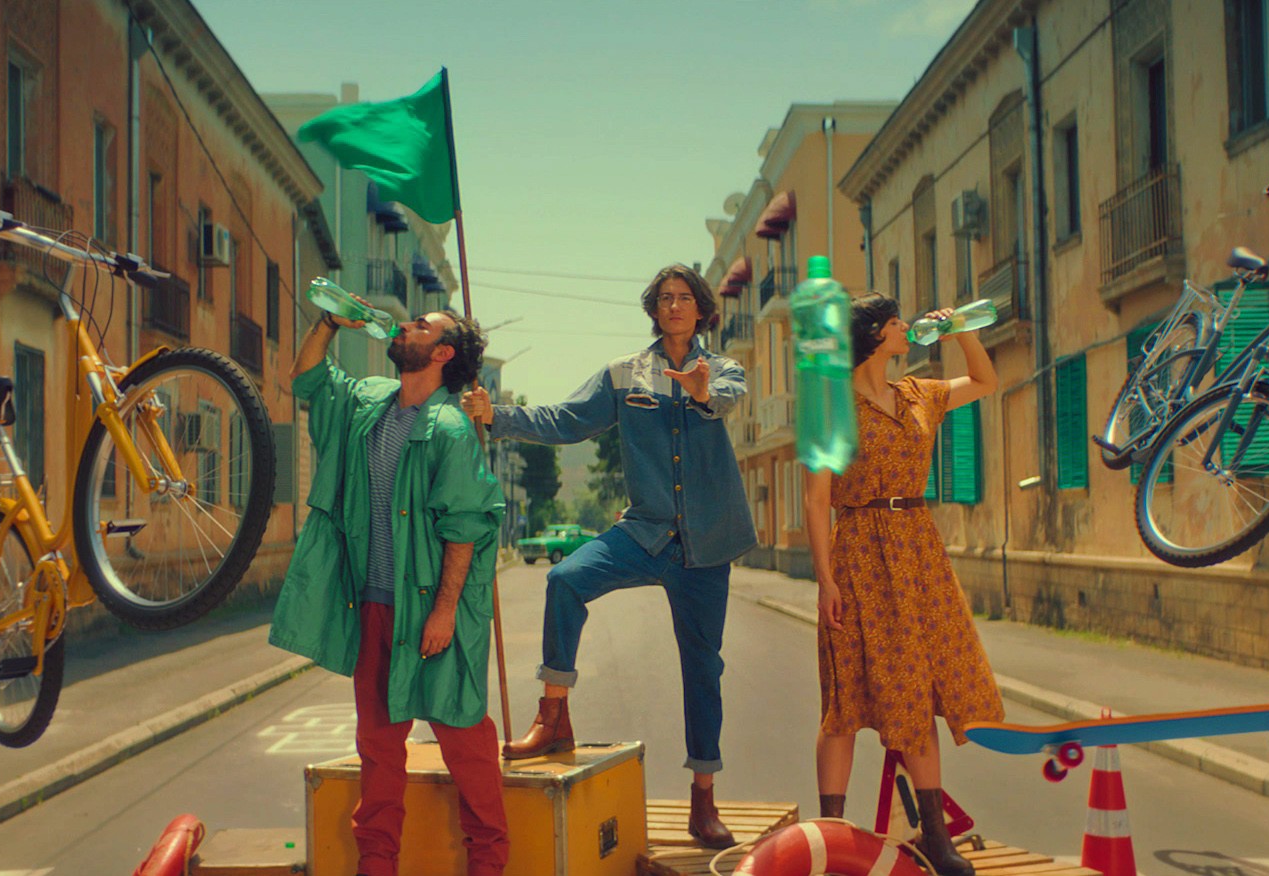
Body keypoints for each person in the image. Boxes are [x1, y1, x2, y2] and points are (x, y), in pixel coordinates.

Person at [458, 263, 756, 848]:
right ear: (654, 309)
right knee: (566, 579)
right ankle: (553, 717)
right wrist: (497, 415)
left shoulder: (722, 369)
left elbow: (724, 399)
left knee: (703, 670)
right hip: (645, 532)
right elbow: (567, 420)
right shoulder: (624, 374)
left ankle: (703, 800)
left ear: (701, 310)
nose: (674, 305)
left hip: (706, 543)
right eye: (664, 297)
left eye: (684, 297)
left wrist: (700, 390)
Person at [271, 305, 506, 876]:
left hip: (433, 610)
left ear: (443, 353)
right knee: (377, 745)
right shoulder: (369, 403)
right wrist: (329, 322)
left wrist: (444, 612)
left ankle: (489, 862)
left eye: (420, 326)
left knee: (464, 740)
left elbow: (465, 529)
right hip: (375, 604)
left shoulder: (450, 429)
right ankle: (376, 864)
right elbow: (308, 379)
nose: (403, 327)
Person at [802, 294, 1003, 876]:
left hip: (917, 550)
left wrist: (960, 331)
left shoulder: (919, 393)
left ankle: (936, 838)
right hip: (859, 551)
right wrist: (825, 579)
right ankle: (831, 837)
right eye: (895, 323)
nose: (905, 328)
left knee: (916, 689)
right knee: (844, 698)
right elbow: (816, 500)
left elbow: (985, 381)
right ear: (873, 336)